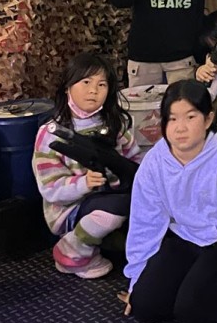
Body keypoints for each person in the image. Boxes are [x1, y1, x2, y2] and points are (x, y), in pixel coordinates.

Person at [124, 81, 217, 323]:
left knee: (192, 311)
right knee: (145, 306)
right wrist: (136, 279)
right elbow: (145, 222)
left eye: (191, 117)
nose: (180, 128)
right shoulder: (155, 161)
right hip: (182, 237)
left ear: (208, 119)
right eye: (172, 119)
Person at [33, 53, 140, 278]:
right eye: (86, 82)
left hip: (113, 198)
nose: (93, 90)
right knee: (118, 207)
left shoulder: (116, 123)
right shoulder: (51, 133)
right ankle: (71, 250)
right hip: (71, 209)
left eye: (102, 84)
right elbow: (50, 188)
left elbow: (135, 161)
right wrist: (84, 183)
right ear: (67, 87)